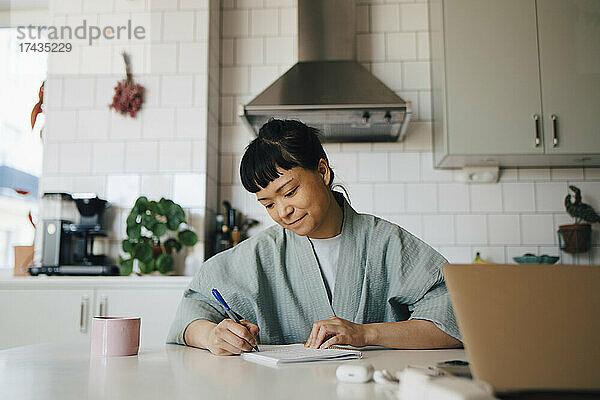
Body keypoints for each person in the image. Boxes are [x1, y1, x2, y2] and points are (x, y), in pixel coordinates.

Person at [167, 119, 462, 355]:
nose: (283, 211)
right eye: (268, 204)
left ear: (322, 172)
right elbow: (191, 313)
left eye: (290, 191)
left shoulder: (385, 243)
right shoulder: (260, 253)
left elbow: (456, 320)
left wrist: (366, 333)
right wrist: (212, 336)